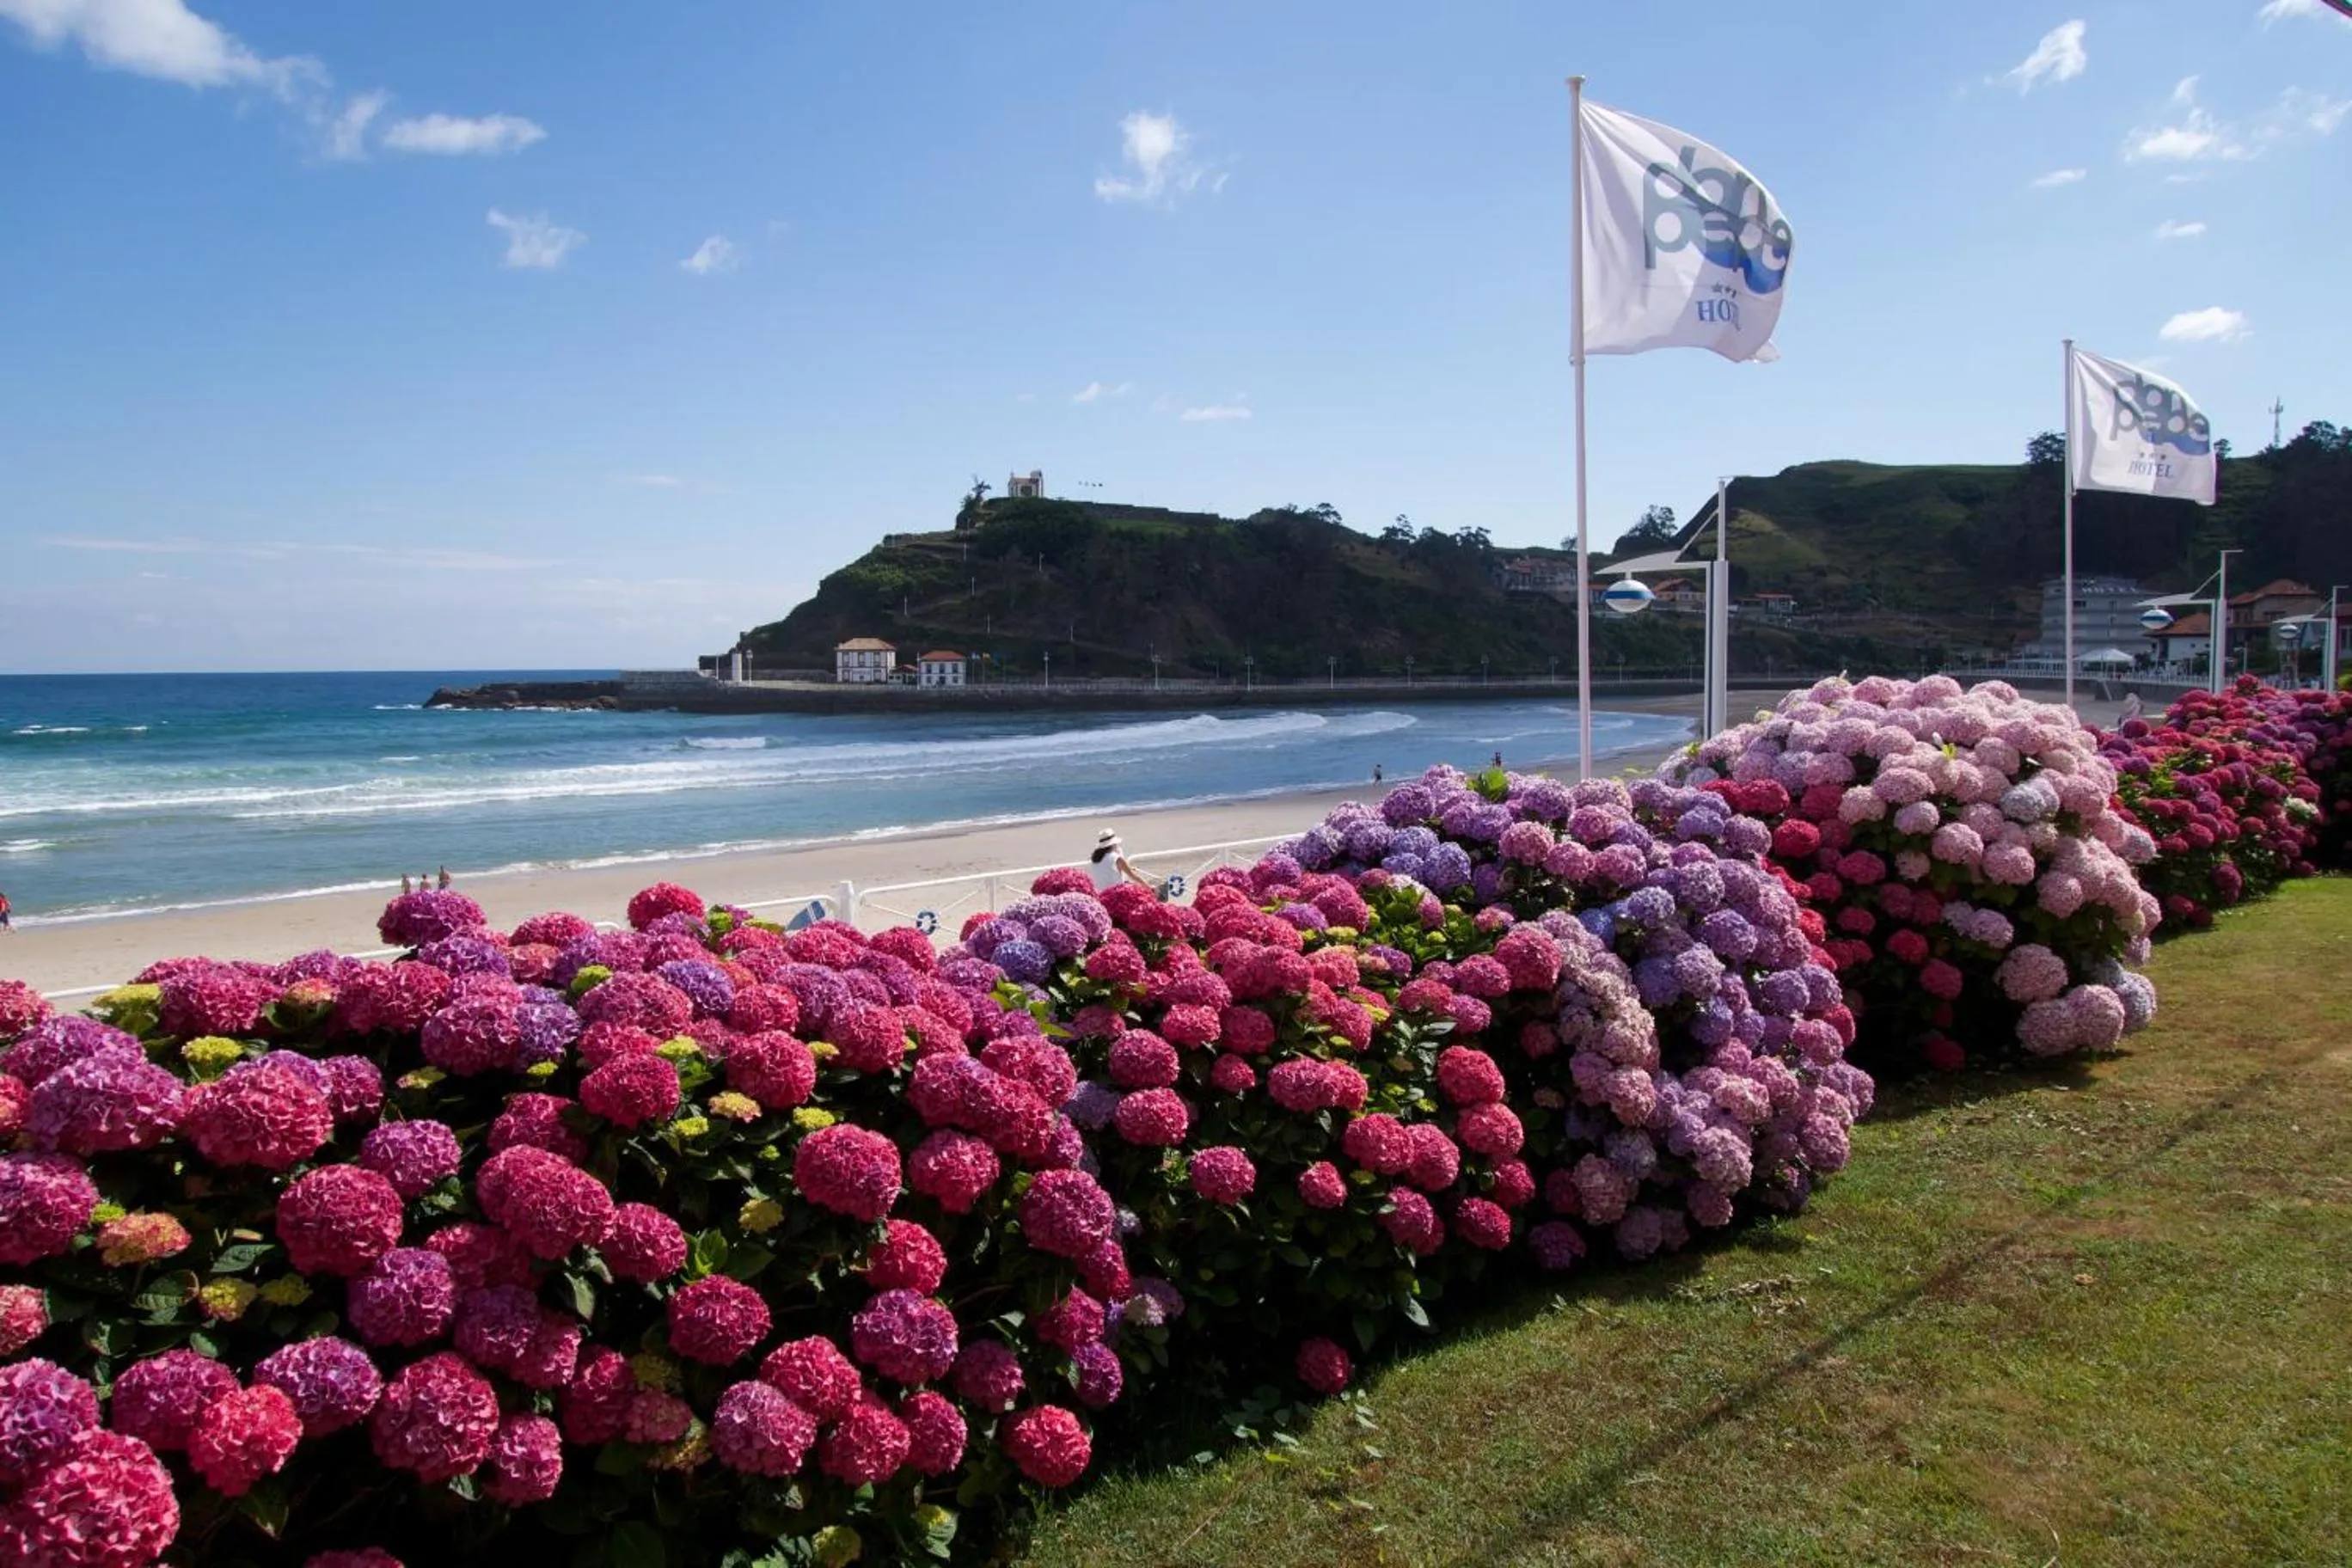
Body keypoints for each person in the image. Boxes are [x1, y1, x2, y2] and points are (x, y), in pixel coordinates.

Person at [1087, 829, 1154, 894]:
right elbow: (1134, 876)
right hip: (1115, 894)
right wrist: (1149, 887)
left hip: (1100, 895)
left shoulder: (1093, 859)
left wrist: (1128, 868)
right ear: (1113, 844)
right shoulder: (1116, 858)